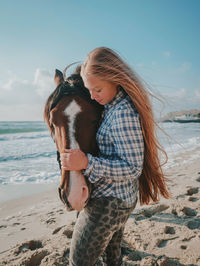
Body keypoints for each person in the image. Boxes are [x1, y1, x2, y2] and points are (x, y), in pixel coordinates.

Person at [60, 47, 169, 266]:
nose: (92, 96)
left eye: (97, 89)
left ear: (115, 78)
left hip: (109, 203)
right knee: (113, 257)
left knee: (79, 261)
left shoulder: (123, 113)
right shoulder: (111, 105)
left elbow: (131, 168)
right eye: (89, 90)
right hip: (120, 199)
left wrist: (87, 162)